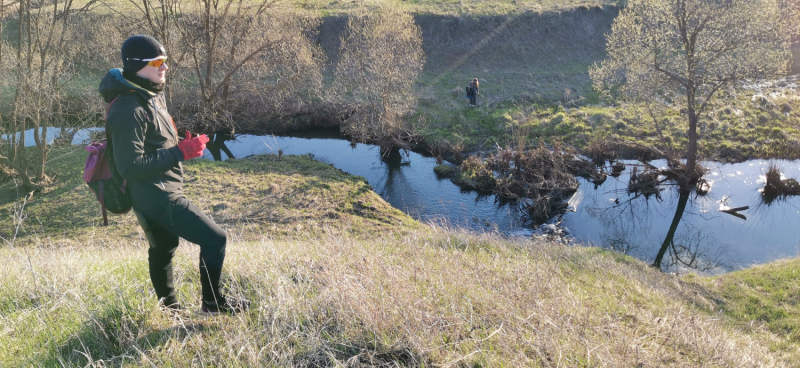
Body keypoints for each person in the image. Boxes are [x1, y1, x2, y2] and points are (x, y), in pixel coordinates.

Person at [98, 35, 248, 315]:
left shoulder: (150, 94)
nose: (165, 67)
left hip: (161, 187)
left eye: (165, 61)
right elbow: (130, 166)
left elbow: (154, 141)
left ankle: (170, 310)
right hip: (155, 194)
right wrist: (180, 153)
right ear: (136, 67)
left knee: (164, 247)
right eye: (157, 62)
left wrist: (183, 145)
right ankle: (213, 306)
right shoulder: (128, 108)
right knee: (215, 239)